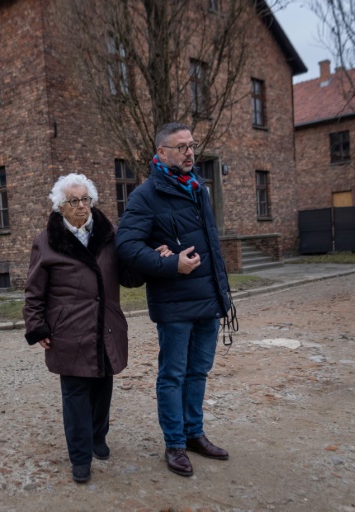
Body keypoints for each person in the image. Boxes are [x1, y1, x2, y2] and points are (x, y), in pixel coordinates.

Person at [23, 173, 171, 484]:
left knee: (103, 385)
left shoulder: (110, 235)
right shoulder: (46, 241)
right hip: (68, 330)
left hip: (106, 326)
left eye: (85, 199)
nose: (81, 206)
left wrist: (151, 258)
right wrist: (37, 326)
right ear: (60, 207)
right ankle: (79, 456)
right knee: (76, 393)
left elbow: (128, 277)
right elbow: (34, 290)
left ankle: (98, 437)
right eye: (73, 201)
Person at [116, 123, 232, 478]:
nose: (189, 152)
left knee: (199, 372)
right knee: (173, 375)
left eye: (192, 146)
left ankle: (195, 434)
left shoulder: (200, 189)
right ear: (161, 153)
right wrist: (168, 263)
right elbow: (126, 247)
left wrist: (222, 294)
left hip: (208, 298)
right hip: (175, 304)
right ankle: (175, 443)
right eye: (180, 147)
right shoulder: (145, 196)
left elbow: (212, 243)